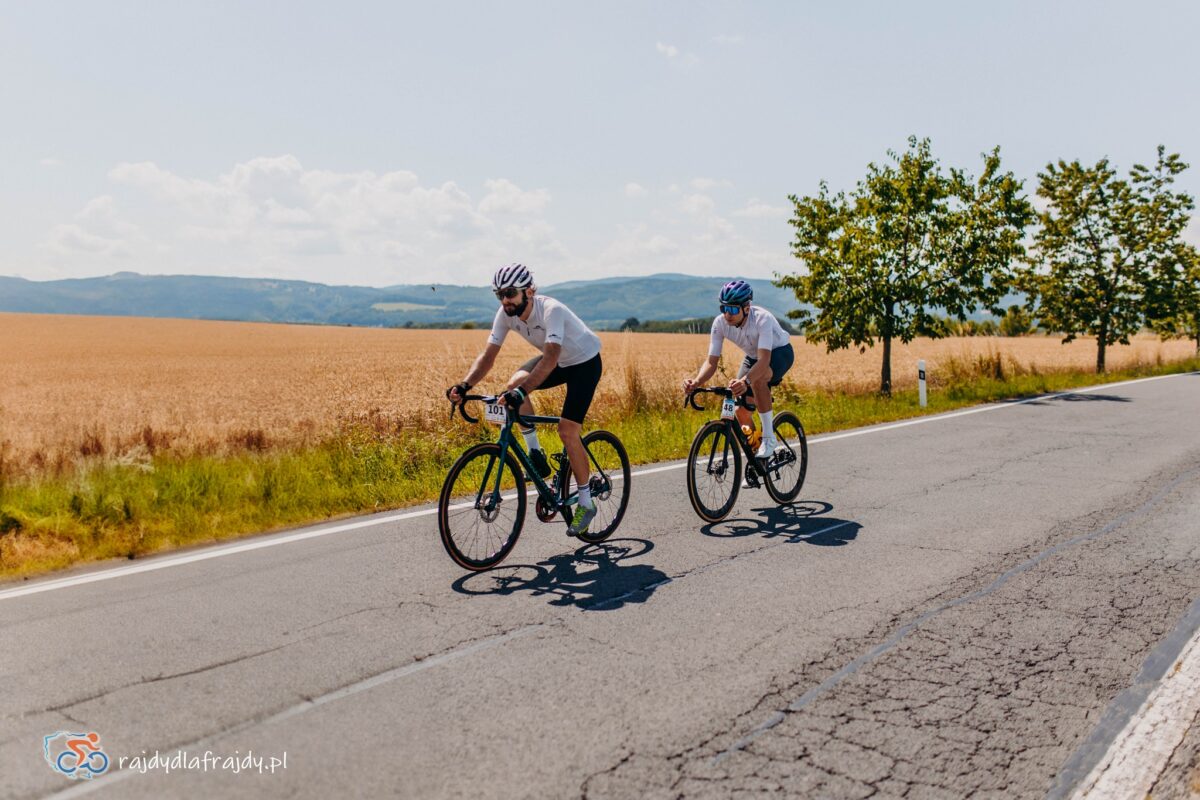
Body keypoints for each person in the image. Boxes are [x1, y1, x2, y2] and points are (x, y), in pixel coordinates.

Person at [447, 263, 604, 536]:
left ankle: (586, 502)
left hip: (584, 363)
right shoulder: (506, 314)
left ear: (529, 291)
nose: (505, 300)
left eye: (510, 293)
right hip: (558, 362)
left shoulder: (551, 310)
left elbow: (550, 358)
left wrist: (522, 392)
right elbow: (488, 356)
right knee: (513, 384)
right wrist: (464, 384)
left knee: (567, 431)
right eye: (499, 294)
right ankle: (535, 455)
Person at [682, 279, 795, 486]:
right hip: (753, 357)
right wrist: (696, 382)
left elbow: (764, 361)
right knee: (740, 412)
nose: (728, 314)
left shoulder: (762, 319)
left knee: (757, 381)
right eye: (724, 308)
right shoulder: (720, 324)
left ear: (746, 307)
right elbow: (711, 362)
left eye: (733, 309)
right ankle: (758, 460)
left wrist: (746, 380)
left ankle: (769, 438)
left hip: (779, 353)